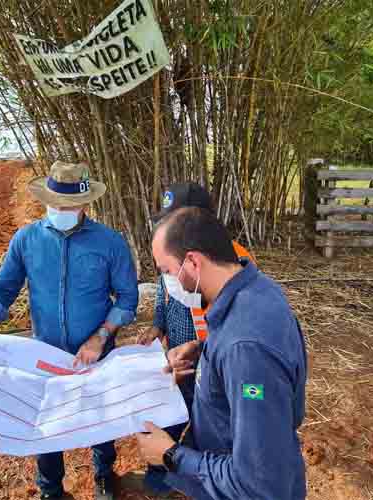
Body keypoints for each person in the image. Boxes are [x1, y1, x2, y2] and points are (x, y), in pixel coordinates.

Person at [0, 161, 139, 500]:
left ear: (85, 204)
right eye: (55, 205)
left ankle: (103, 474)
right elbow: (2, 288)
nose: (62, 211)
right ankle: (50, 488)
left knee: (100, 414)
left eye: (69, 206)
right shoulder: (26, 240)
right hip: (44, 352)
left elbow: (127, 298)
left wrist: (101, 337)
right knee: (46, 421)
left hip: (96, 349)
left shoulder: (110, 243)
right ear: (45, 200)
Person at [135, 207, 307, 500]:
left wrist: (171, 455)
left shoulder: (245, 349)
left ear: (192, 261)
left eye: (166, 271)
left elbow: (259, 485)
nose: (167, 282)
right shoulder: (254, 290)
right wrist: (204, 352)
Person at [136, 182, 254, 495]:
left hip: (210, 360)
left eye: (177, 219)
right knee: (169, 415)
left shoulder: (234, 262)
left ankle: (196, 476)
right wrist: (159, 327)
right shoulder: (173, 253)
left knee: (206, 421)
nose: (170, 228)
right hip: (185, 353)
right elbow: (164, 293)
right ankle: (160, 481)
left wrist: (206, 350)